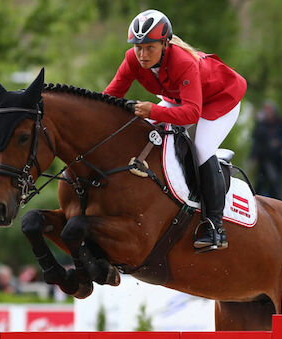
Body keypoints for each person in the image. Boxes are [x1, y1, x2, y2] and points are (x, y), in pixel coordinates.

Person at [103, 9, 247, 252]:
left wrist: (154, 111)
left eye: (149, 47)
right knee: (145, 133)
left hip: (221, 99)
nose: (142, 54)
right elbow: (109, 97)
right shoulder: (132, 60)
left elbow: (191, 114)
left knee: (201, 149)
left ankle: (215, 227)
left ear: (164, 43)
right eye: (138, 46)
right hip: (180, 97)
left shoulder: (183, 61)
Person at [250, 102, 282, 199]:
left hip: (275, 158)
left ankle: (278, 201)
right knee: (260, 181)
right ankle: (255, 199)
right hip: (263, 157)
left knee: (275, 182)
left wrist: (278, 142)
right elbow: (256, 139)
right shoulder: (262, 124)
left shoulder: (280, 123)